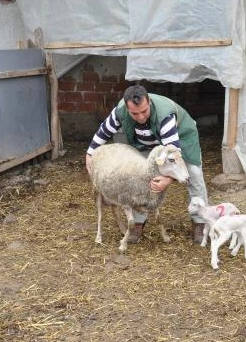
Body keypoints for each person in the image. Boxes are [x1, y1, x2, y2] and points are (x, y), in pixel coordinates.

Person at [85, 85, 208, 244]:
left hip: (180, 143)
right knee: (141, 177)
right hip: (149, 145)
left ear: (148, 102)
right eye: (134, 113)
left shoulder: (165, 116)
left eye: (144, 111)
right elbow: (104, 131)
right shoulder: (120, 111)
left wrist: (168, 179)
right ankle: (138, 222)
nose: (140, 117)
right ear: (127, 107)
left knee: (194, 175)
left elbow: (173, 154)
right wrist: (90, 153)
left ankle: (199, 222)